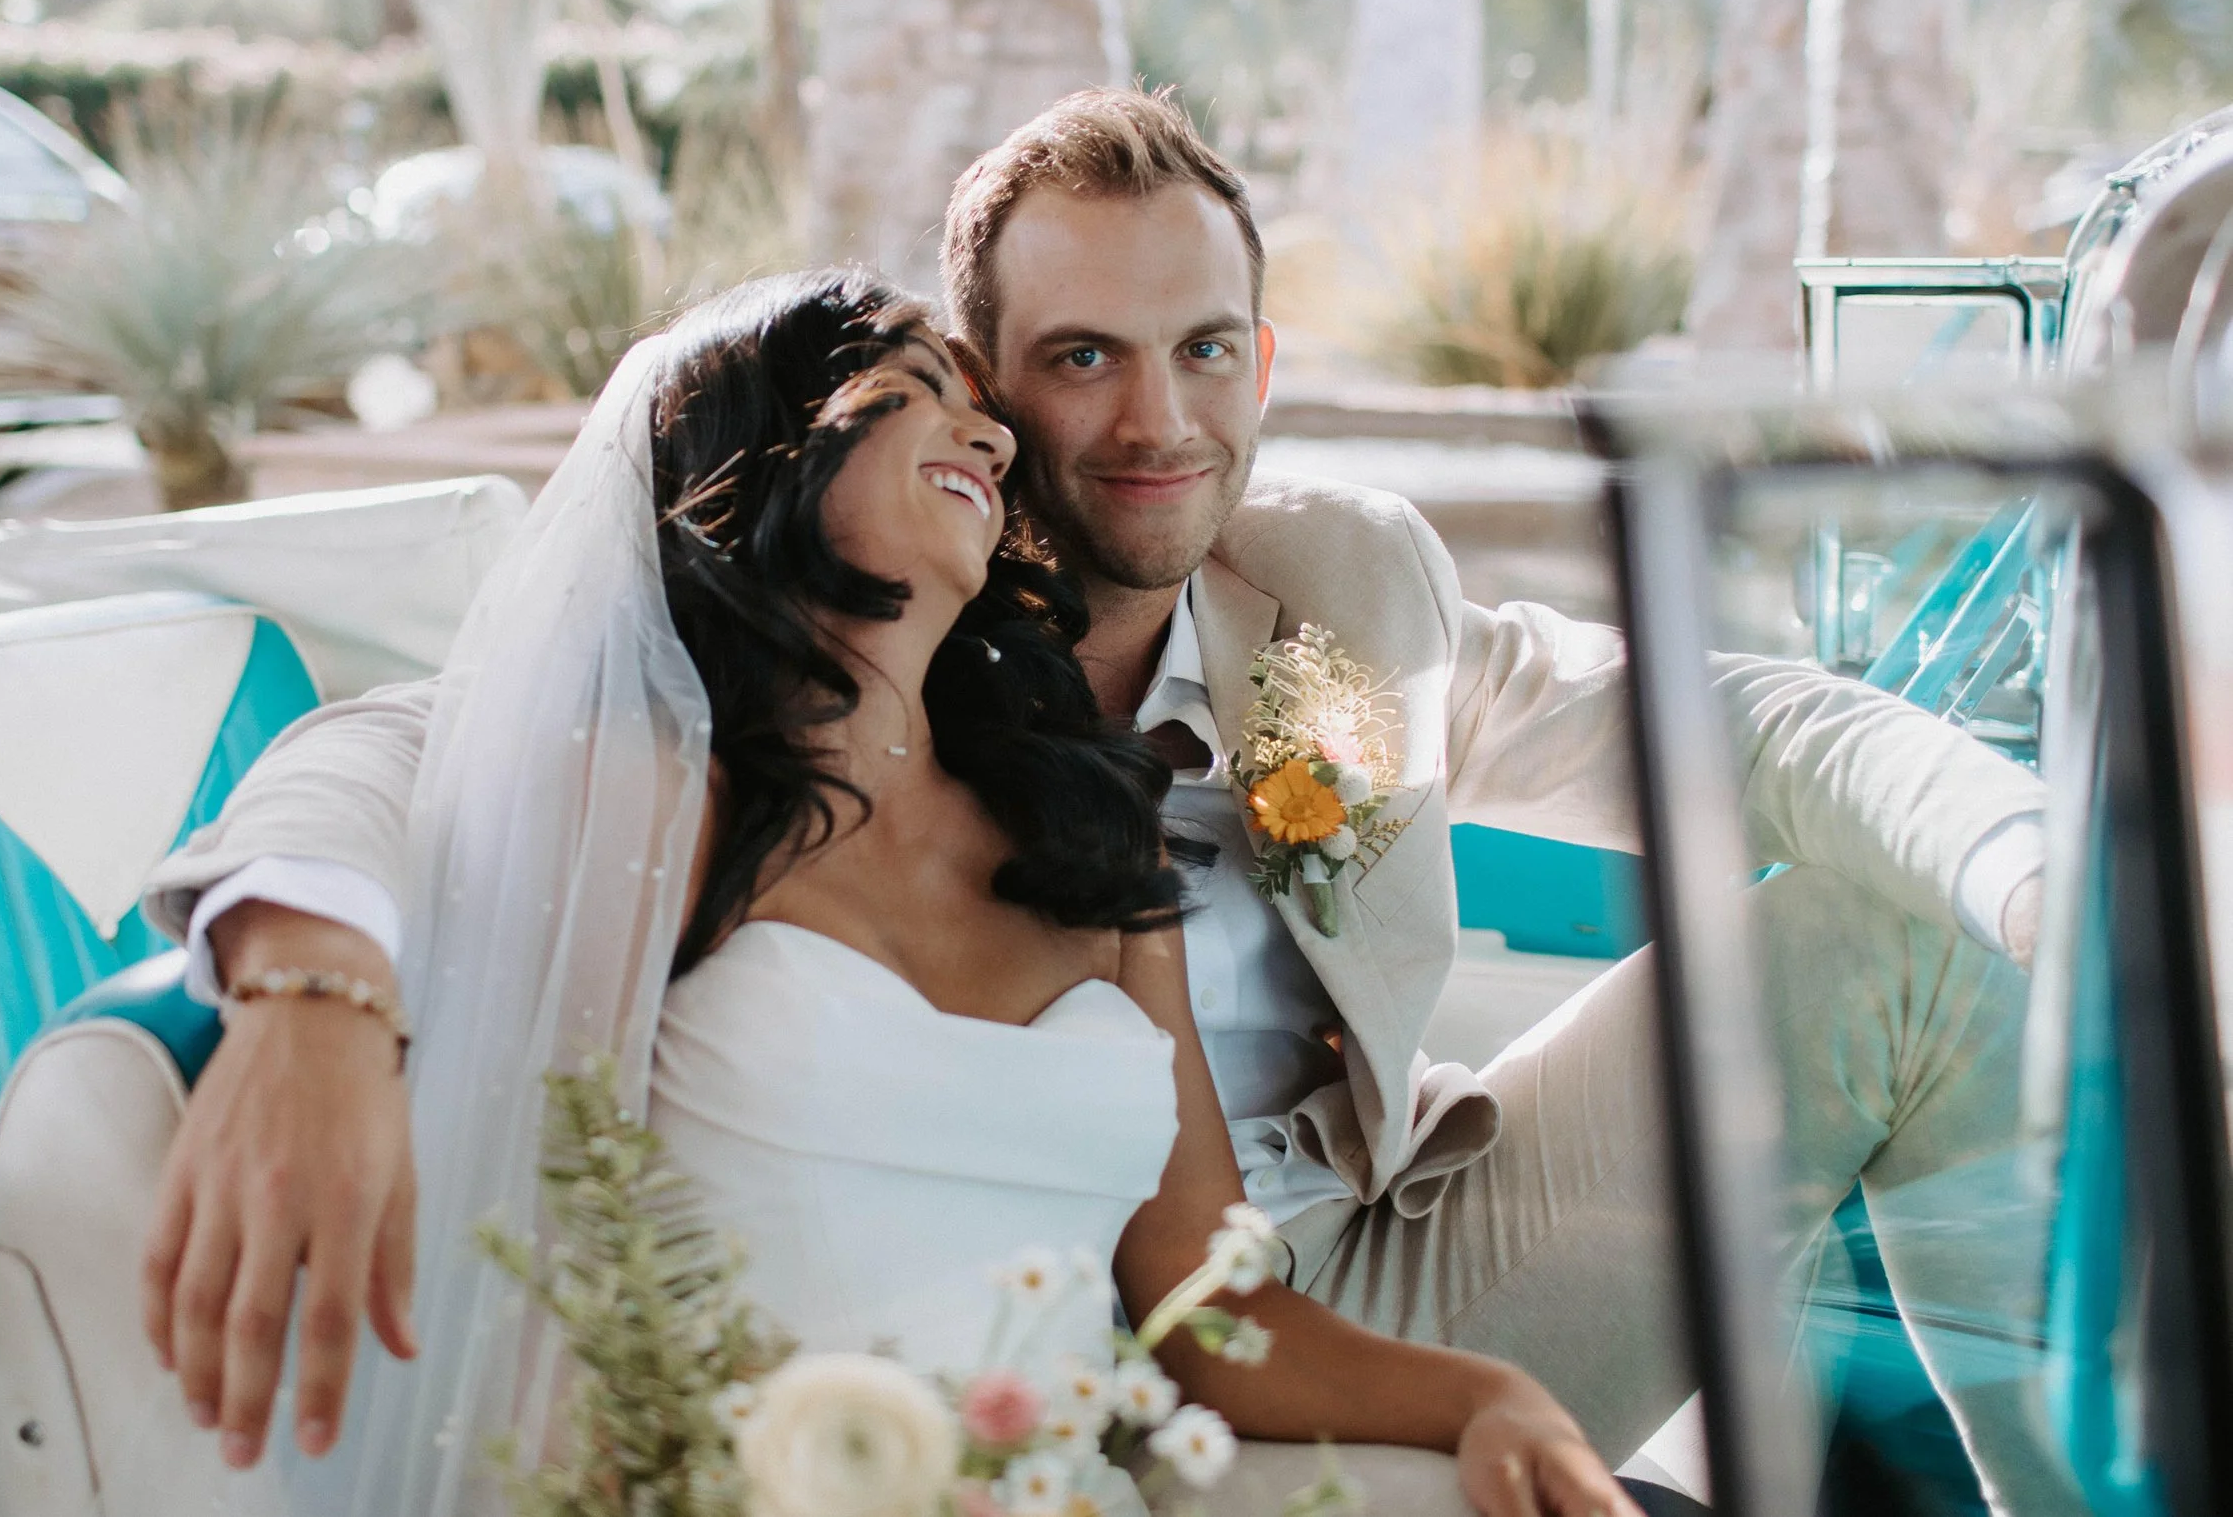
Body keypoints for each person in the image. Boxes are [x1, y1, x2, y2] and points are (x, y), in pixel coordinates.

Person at [141, 92, 2052, 1506]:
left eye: (1204, 349)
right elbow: (401, 743)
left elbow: (1738, 722)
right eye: (1082, 359)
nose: (1157, 424)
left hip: (1369, 1245)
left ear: (1262, 362)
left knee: (1918, 945)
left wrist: (2029, 858)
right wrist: (311, 983)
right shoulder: (815, 681)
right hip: (1042, 1371)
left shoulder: (1331, 607)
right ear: (973, 379)